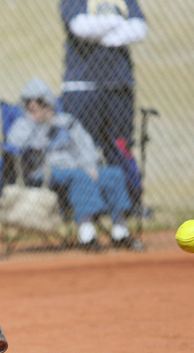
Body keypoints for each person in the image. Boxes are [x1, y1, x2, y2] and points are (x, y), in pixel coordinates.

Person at [5, 77, 141, 250]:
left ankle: (120, 232)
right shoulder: (23, 125)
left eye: (39, 101)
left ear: (48, 102)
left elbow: (85, 146)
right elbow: (15, 147)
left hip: (80, 168)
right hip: (45, 172)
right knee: (80, 177)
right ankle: (87, 234)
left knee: (113, 174)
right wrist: (39, 125)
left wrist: (90, 166)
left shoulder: (67, 122)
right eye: (28, 101)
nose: (33, 105)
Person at [59, 0, 147, 215]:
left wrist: (101, 31)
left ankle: (128, 205)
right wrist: (117, 23)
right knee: (81, 147)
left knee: (121, 146)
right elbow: (80, 27)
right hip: (82, 85)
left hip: (119, 84)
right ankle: (83, 207)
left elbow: (139, 28)